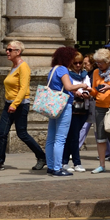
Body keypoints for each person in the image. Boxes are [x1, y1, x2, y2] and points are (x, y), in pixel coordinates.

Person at [0, 40, 45, 172]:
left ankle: (42, 157)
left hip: (19, 105)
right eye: (7, 49)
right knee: (2, 133)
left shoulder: (24, 67)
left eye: (10, 50)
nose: (7, 52)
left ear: (18, 52)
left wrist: (15, 104)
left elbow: (24, 88)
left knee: (22, 134)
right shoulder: (13, 66)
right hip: (9, 104)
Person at [44, 47, 88, 177]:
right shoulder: (63, 69)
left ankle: (51, 166)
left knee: (51, 138)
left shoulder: (53, 70)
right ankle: (58, 167)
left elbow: (59, 87)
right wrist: (81, 85)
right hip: (64, 105)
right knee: (60, 138)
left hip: (53, 105)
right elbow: (68, 87)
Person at [62, 52, 93, 172]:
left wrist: (86, 93)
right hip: (72, 108)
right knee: (73, 136)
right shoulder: (68, 75)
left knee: (73, 136)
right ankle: (74, 162)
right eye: (76, 63)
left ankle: (66, 161)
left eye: (80, 63)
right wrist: (76, 92)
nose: (78, 65)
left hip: (83, 108)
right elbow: (67, 88)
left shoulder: (85, 75)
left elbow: (88, 88)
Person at [76, 54, 96, 151]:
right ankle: (76, 148)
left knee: (97, 129)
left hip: (94, 104)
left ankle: (109, 151)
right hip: (87, 104)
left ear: (92, 64)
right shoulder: (85, 75)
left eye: (85, 63)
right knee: (84, 127)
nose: (83, 65)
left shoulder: (94, 74)